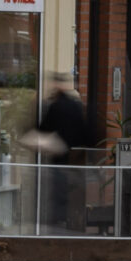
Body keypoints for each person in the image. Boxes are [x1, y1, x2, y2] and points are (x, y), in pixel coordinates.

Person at [27, 73, 102, 232]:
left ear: (57, 86)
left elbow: (43, 129)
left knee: (58, 197)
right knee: (71, 196)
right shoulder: (76, 105)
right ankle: (71, 226)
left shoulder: (56, 106)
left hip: (60, 160)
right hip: (76, 160)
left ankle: (57, 229)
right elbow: (88, 133)